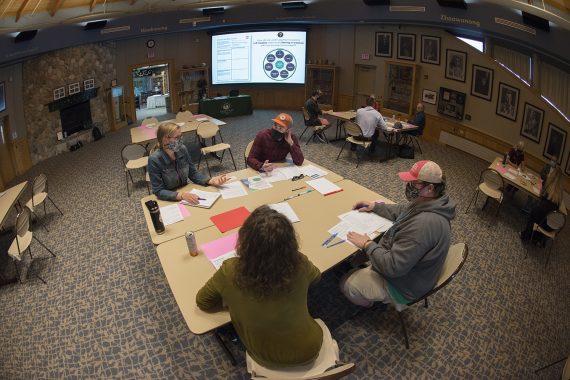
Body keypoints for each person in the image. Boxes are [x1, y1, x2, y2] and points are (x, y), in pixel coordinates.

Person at [196, 205, 338, 370]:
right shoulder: (299, 263)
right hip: (309, 349)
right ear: (290, 242)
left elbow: (203, 302)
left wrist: (233, 302)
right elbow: (316, 278)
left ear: (244, 241)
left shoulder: (230, 270)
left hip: (263, 356)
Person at [341, 160, 456, 306]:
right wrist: (375, 207)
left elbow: (393, 267)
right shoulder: (432, 202)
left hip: (403, 286)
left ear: (430, 188)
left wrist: (368, 244)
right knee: (364, 255)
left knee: (346, 283)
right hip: (416, 271)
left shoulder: (423, 225)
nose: (409, 186)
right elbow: (404, 210)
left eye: (414, 183)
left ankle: (372, 303)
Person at [148, 122, 227, 203]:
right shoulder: (154, 159)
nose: (181, 140)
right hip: (169, 197)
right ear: (165, 140)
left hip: (185, 192)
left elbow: (193, 174)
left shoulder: (182, 149)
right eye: (177, 137)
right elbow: (158, 191)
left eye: (181, 136)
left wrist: (210, 180)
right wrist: (181, 195)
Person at [520, 167, 564, 245]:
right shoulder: (560, 194)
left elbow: (540, 198)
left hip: (543, 222)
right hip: (552, 226)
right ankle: (538, 239)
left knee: (533, 213)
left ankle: (526, 235)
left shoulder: (547, 188)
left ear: (552, 176)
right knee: (539, 213)